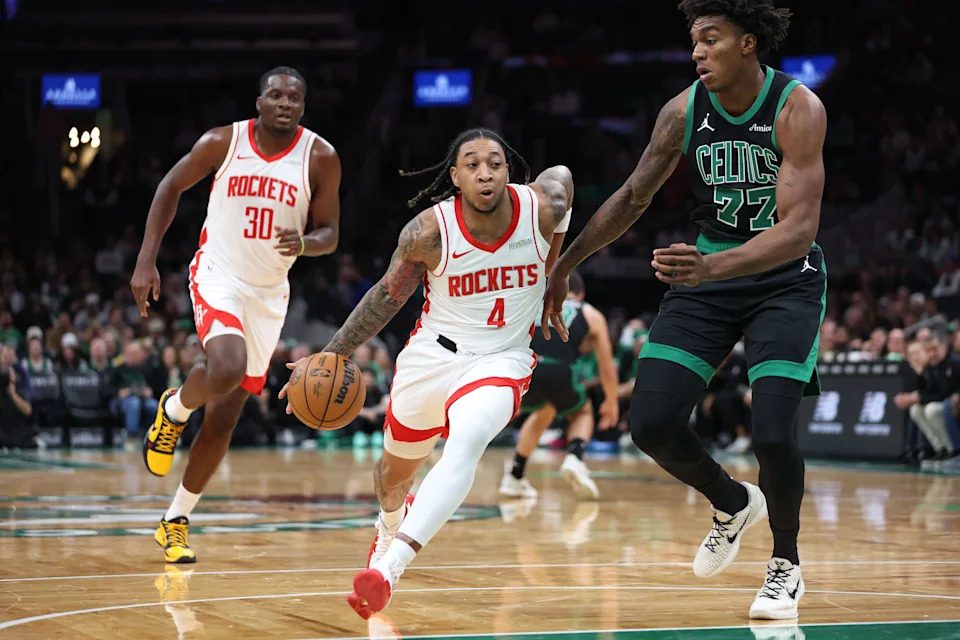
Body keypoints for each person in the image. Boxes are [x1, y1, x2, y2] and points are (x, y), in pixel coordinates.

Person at [542, 0, 825, 620]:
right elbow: (634, 193)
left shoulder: (797, 106)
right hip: (709, 277)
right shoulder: (682, 110)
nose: (697, 51)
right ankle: (731, 502)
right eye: (694, 40)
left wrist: (713, 267)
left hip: (784, 281)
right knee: (650, 425)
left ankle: (786, 565)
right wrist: (565, 266)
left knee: (773, 434)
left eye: (711, 39)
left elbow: (799, 230)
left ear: (749, 44)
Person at [280, 128, 573, 619]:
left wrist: (555, 272)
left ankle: (388, 569)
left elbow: (561, 182)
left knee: (468, 440)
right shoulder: (428, 232)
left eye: (496, 163)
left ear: (509, 171)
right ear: (455, 177)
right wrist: (331, 356)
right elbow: (385, 297)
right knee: (393, 478)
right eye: (473, 164)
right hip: (432, 357)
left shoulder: (541, 209)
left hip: (501, 357)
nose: (485, 172)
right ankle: (388, 524)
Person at [130, 65, 341, 563]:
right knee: (223, 369)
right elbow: (169, 187)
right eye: (275, 95)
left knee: (224, 419)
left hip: (269, 295)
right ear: (259, 102)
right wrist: (146, 260)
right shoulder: (223, 142)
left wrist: (307, 244)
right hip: (218, 275)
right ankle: (175, 410)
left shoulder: (321, 157)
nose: (285, 102)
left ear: (303, 107)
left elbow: (331, 233)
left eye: (294, 97)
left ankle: (175, 519)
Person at [499, 269, 618, 500]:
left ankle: (515, 475)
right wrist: (611, 402)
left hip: (526, 370)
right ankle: (575, 457)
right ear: (580, 294)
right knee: (583, 412)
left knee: (543, 412)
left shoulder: (531, 305)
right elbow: (607, 368)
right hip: (560, 371)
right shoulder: (590, 313)